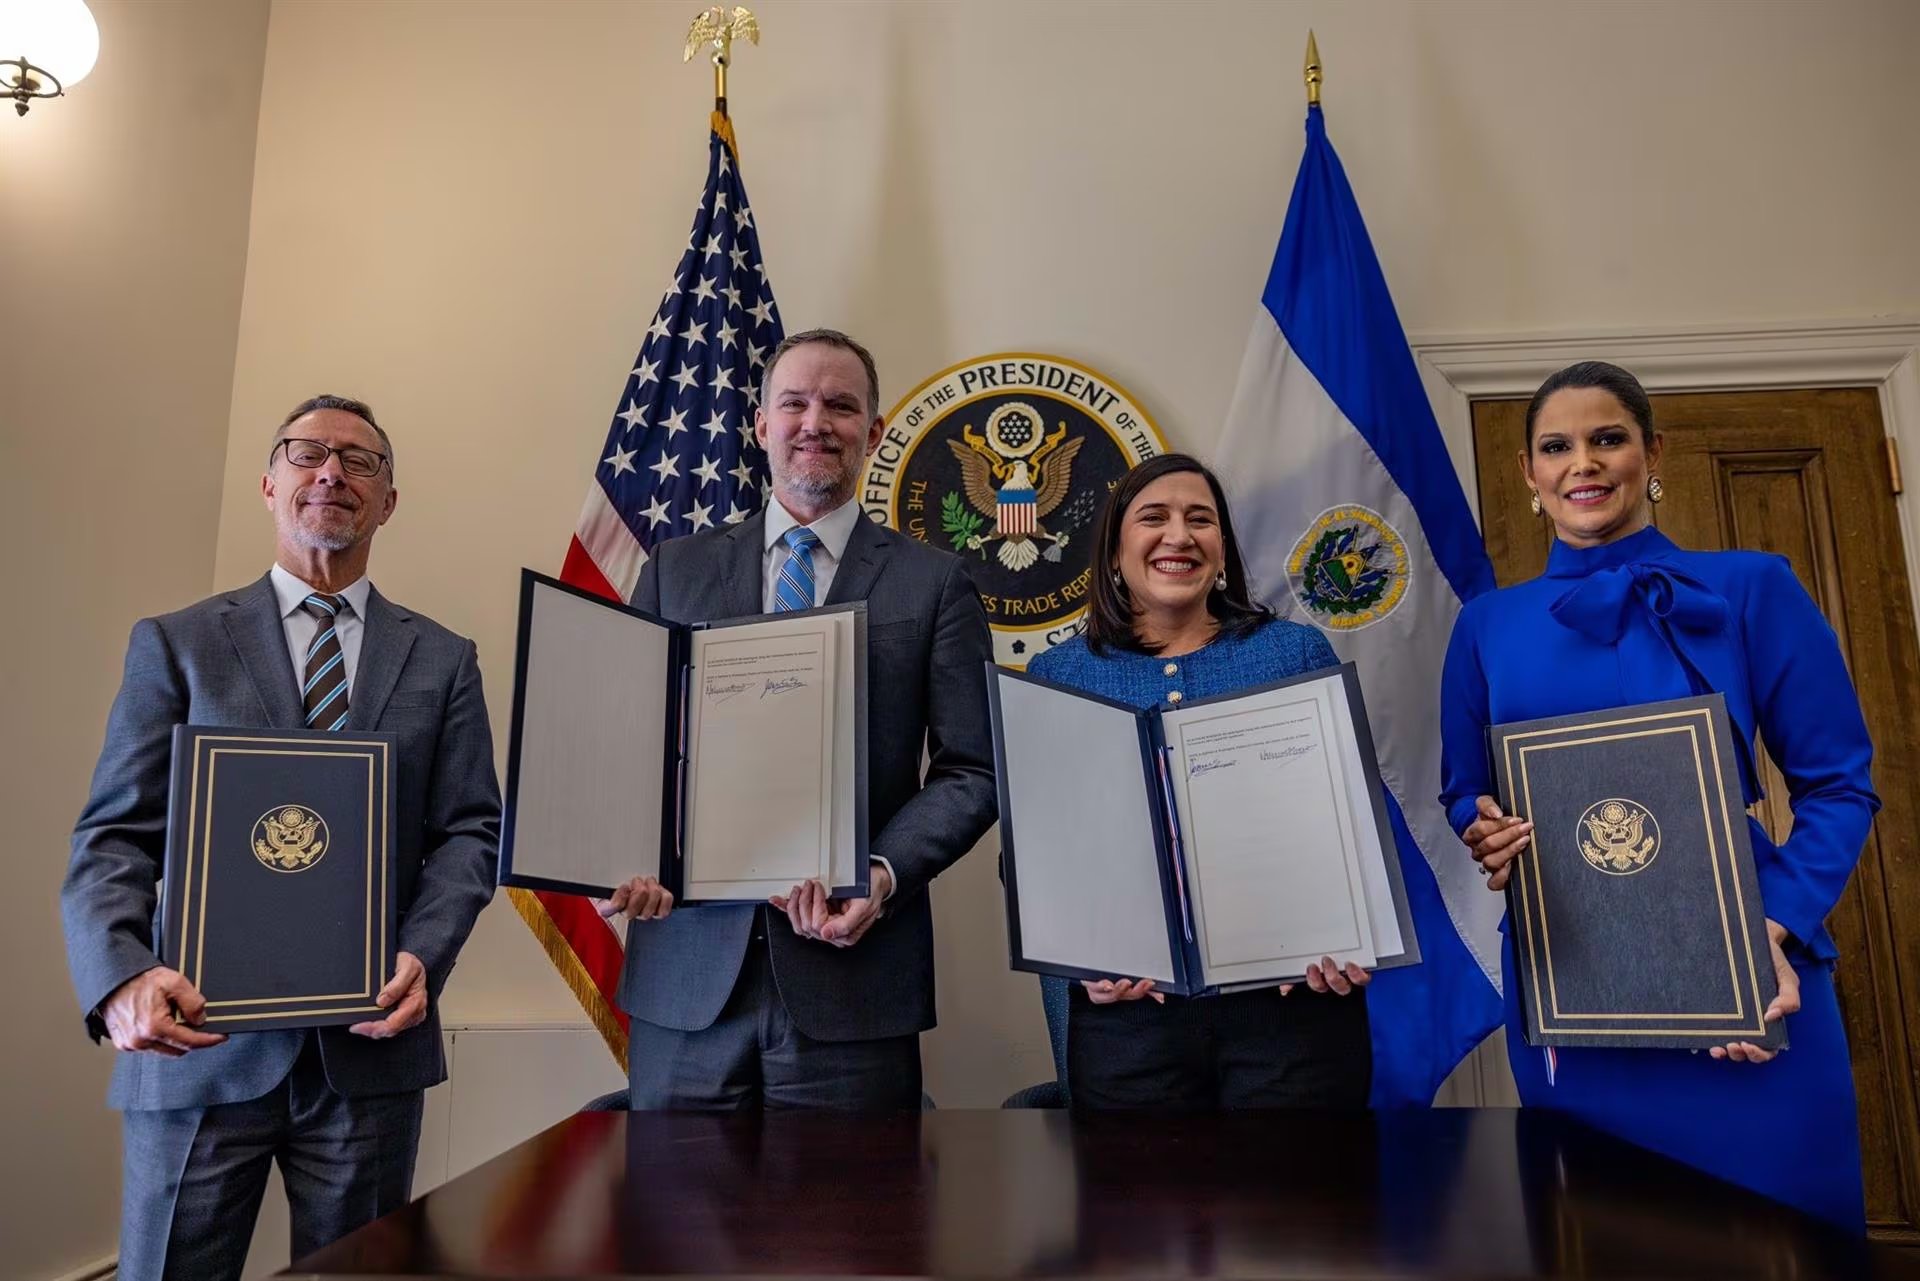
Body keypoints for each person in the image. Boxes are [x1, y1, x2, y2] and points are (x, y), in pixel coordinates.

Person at [60, 395, 502, 1280]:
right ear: (270, 484)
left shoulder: (444, 658)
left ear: (387, 501)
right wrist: (120, 978)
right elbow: (115, 835)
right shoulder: (178, 643)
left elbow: (470, 832)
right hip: (197, 1045)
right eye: (307, 453)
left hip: (368, 1054)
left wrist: (423, 954)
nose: (332, 471)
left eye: (360, 460)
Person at [1438, 360, 1877, 1230]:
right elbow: (1465, 792)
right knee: (1605, 1238)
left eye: (1608, 438)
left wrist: (1771, 927)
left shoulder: (1753, 585)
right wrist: (1482, 829)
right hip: (1572, 979)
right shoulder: (1486, 624)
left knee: (1786, 1239)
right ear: (1528, 472)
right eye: (1556, 447)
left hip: (1751, 968)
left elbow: (1839, 784)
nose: (1583, 463)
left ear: (1652, 452)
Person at [604, 328, 997, 1110]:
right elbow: (626, 742)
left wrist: (881, 873)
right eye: (794, 404)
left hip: (855, 980)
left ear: (873, 433)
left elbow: (974, 768)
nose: (815, 423)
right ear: (761, 425)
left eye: (840, 406)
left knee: (850, 1198)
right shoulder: (675, 569)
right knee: (676, 1194)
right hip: (687, 980)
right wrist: (620, 852)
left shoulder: (935, 582)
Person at [1025, 452, 1371, 1110]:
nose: (1179, 535)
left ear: (1222, 548)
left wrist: (1351, 931)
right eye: (1154, 517)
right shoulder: (1059, 674)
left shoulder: (1295, 653)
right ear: (1115, 550)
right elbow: (1040, 856)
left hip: (1293, 1007)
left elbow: (1351, 825)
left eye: (1200, 519)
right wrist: (1080, 954)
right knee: (1138, 1184)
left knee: (1306, 1180)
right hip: (1128, 1018)